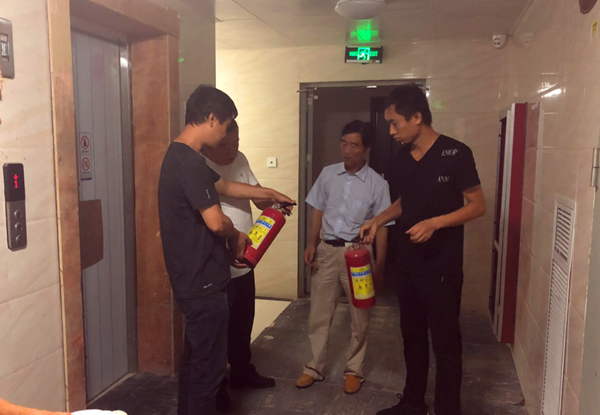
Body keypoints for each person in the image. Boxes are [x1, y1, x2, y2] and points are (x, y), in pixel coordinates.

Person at [158, 85, 294, 415]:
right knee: (208, 372)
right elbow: (217, 222)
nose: (226, 132)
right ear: (211, 118)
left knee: (195, 364)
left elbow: (227, 185)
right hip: (203, 280)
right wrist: (236, 235)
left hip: (195, 278)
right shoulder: (189, 163)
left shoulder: (181, 157)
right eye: (227, 123)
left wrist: (269, 193)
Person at [360, 84, 486, 415]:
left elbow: (477, 206)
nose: (391, 131)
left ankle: (448, 409)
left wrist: (435, 223)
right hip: (408, 264)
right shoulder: (402, 158)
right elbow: (405, 201)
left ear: (417, 117)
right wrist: (378, 219)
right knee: (412, 337)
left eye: (395, 123)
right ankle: (412, 402)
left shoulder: (457, 153)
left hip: (442, 267)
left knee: (446, 343)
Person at [295, 120, 392, 395]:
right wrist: (311, 243)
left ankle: (354, 370)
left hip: (358, 255)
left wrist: (380, 265)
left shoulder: (377, 184)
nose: (347, 150)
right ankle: (314, 367)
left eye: (354, 145)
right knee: (319, 312)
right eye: (344, 143)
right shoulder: (328, 174)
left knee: (360, 315)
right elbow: (317, 209)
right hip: (327, 251)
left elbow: (383, 225)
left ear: (366, 148)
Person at [202, 120, 278, 410]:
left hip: (246, 259)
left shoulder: (241, 159)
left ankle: (242, 372)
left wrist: (273, 205)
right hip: (218, 265)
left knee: (243, 322)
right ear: (211, 141)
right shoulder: (200, 166)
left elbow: (256, 196)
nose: (233, 151)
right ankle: (218, 388)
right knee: (219, 329)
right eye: (226, 145)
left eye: (236, 143)